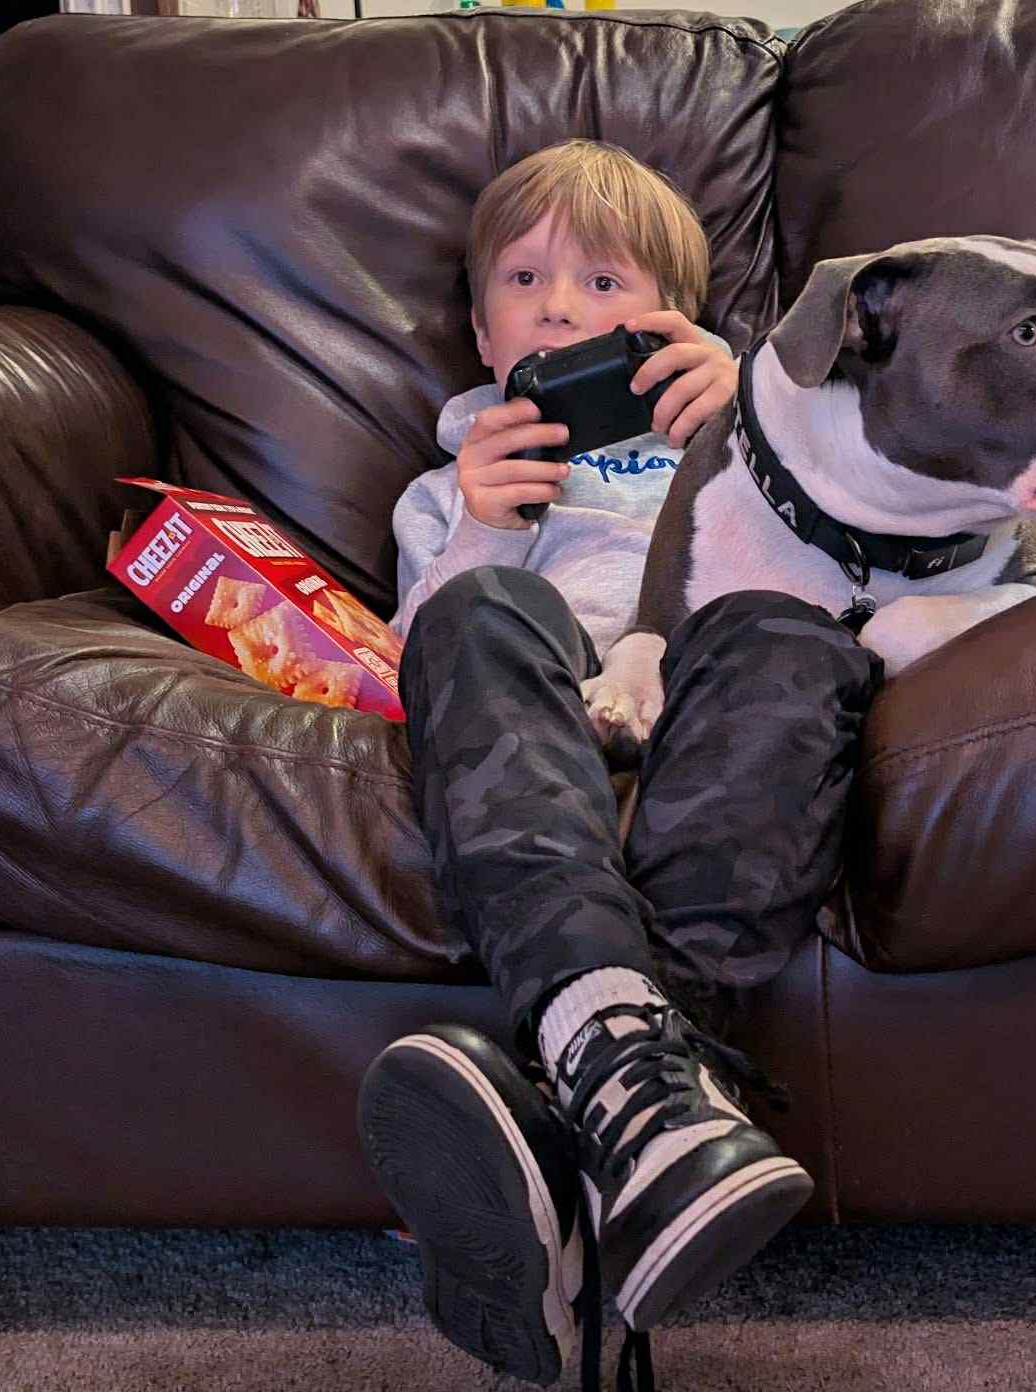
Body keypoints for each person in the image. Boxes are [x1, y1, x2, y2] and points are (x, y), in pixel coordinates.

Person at [356, 139, 884, 1392]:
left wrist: (762, 425)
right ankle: (646, 1119)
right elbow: (413, 665)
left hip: (702, 696)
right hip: (532, 722)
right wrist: (482, 529)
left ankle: (583, 1117)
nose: (556, 308)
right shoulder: (447, 489)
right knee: (470, 616)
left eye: (602, 284)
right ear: (479, 334)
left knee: (783, 633)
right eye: (523, 281)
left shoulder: (751, 433)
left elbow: (865, 561)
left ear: (670, 324)